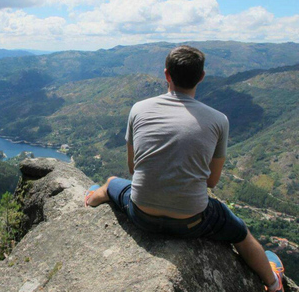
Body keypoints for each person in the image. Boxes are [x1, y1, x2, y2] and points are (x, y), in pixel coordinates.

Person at [85, 45, 284, 292]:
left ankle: (91, 199)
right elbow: (211, 182)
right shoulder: (218, 120)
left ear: (166, 74)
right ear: (201, 77)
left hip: (141, 215)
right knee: (242, 234)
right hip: (192, 222)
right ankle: (274, 283)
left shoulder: (138, 109)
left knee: (112, 182)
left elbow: (133, 168)